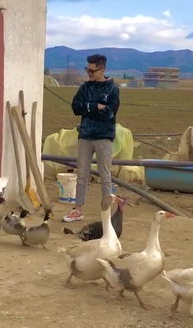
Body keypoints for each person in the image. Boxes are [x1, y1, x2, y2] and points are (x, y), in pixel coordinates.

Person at [62, 54, 120, 222]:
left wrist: (87, 109)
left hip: (103, 137)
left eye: (92, 70)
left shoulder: (112, 89)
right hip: (85, 135)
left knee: (105, 175)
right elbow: (75, 107)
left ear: (102, 70)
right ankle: (78, 210)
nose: (89, 73)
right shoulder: (85, 87)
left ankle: (106, 213)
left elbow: (109, 114)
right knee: (82, 174)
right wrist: (94, 106)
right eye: (87, 69)